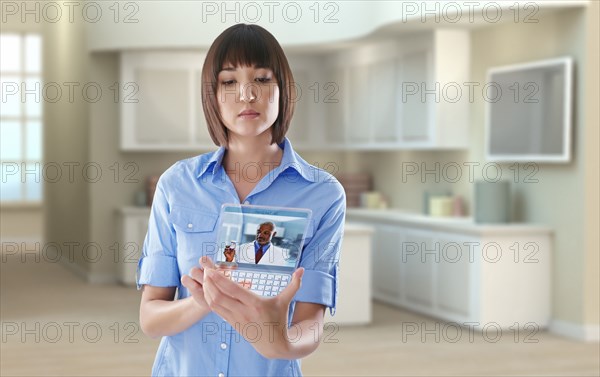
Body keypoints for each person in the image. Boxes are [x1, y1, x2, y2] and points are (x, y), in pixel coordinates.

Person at [137, 23, 346, 377]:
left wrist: (279, 341)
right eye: (229, 81)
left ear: (284, 90)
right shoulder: (177, 184)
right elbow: (150, 317)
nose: (247, 94)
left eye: (262, 79)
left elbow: (312, 323)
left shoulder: (323, 195)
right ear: (212, 95)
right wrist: (203, 302)